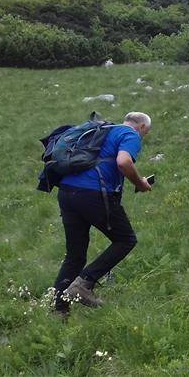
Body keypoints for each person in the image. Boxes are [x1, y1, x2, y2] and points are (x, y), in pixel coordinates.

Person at [52, 112, 152, 315]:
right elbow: (123, 162)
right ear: (141, 127)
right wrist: (140, 183)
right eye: (146, 132)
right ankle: (83, 284)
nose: (144, 136)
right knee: (125, 240)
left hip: (67, 193)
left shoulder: (103, 130)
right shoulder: (129, 134)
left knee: (75, 255)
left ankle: (59, 311)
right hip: (93, 194)